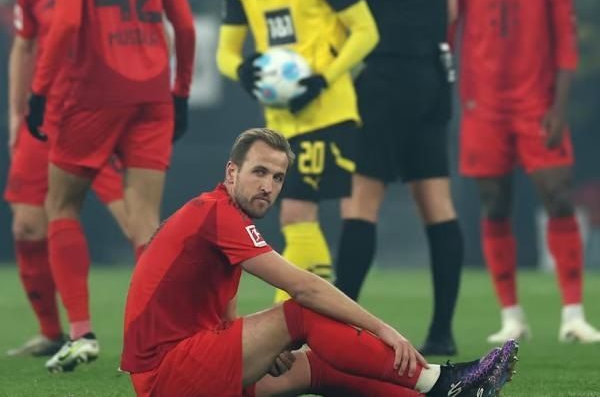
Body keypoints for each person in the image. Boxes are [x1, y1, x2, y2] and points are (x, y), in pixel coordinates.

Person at [120, 127, 518, 397]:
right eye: (259, 172)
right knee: (302, 315)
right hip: (166, 377)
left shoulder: (221, 215)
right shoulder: (216, 213)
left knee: (316, 366)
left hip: (182, 366)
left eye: (277, 178)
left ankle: (445, 391)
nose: (268, 186)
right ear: (231, 172)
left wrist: (258, 348)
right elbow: (305, 288)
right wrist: (384, 329)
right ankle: (440, 381)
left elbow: (222, 315)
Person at [25, 0, 197, 371]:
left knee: (62, 206)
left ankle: (81, 333)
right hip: (153, 93)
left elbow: (66, 21)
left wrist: (40, 91)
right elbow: (185, 25)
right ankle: (155, 341)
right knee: (146, 220)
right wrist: (182, 91)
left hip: (93, 91)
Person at [452, 0, 600, 343]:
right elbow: (451, 26)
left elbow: (565, 35)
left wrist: (559, 106)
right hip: (483, 105)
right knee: (494, 204)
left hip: (537, 102)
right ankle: (512, 317)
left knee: (558, 195)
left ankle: (573, 315)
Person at [216, 0, 379, 302]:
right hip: (280, 121)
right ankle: (317, 313)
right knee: (297, 218)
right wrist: (242, 70)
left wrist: (324, 78)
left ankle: (288, 323)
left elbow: (366, 31)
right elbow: (225, 53)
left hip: (328, 112)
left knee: (296, 212)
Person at [333, 0, 464, 356]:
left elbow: (348, 8)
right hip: (433, 77)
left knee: (360, 202)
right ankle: (442, 331)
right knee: (438, 204)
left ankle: (337, 323)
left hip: (385, 75)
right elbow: (453, 9)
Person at [4, 0, 129, 357]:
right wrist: (16, 113)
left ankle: (179, 325)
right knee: (27, 227)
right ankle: (54, 333)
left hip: (96, 115)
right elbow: (24, 47)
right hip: (43, 120)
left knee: (136, 222)